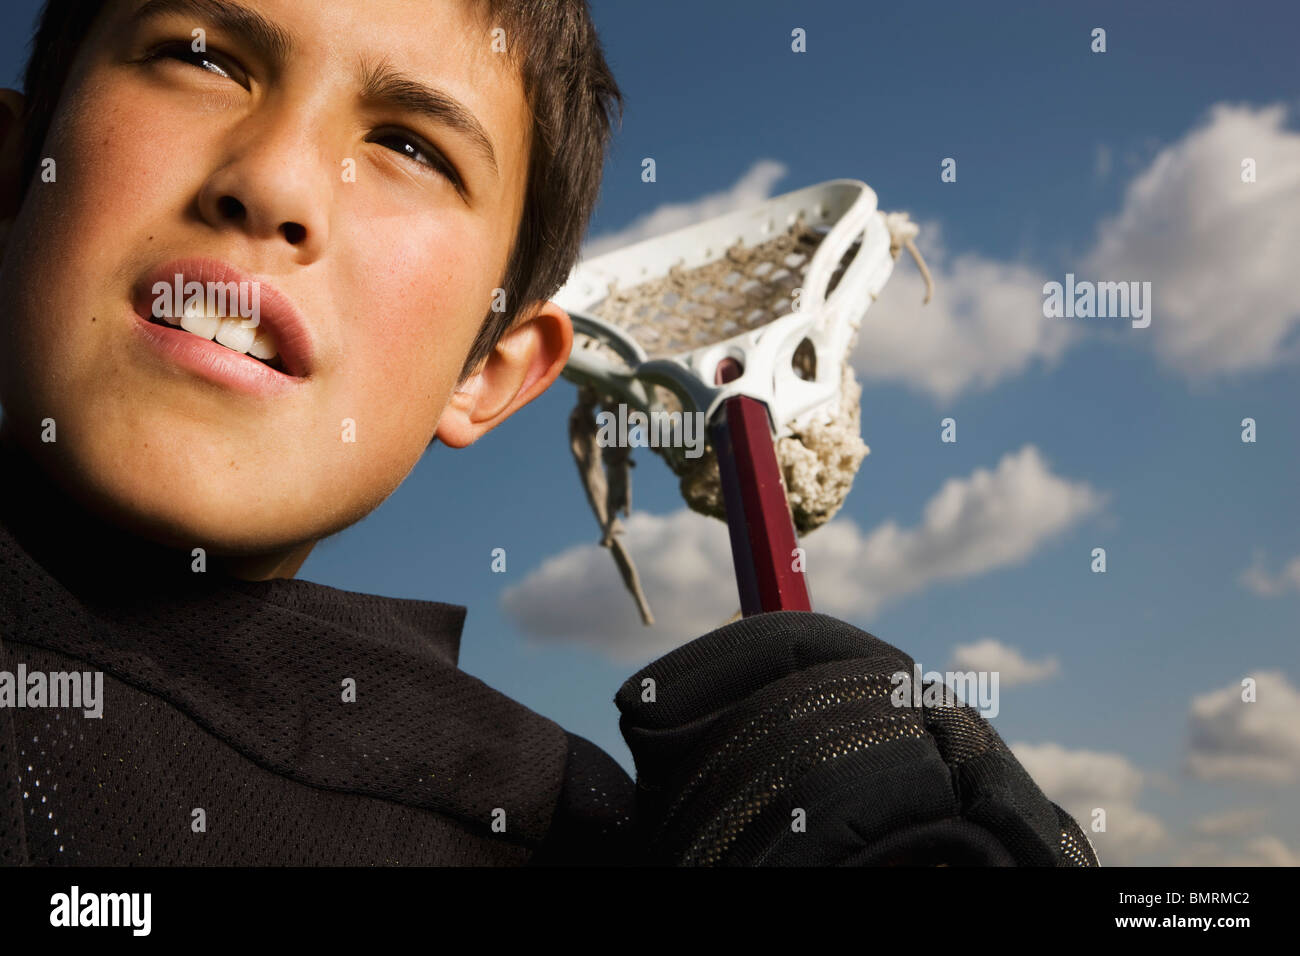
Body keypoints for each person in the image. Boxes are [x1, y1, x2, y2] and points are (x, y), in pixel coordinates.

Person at [0, 0, 1096, 867]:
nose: (278, 179)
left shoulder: (573, 837)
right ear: (13, 169)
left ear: (488, 371)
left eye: (412, 146)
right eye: (202, 56)